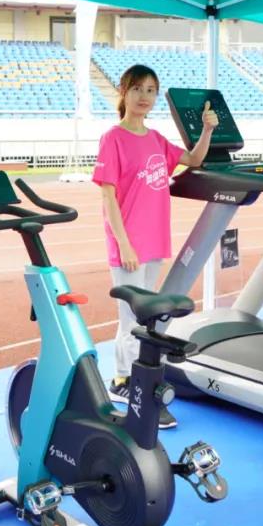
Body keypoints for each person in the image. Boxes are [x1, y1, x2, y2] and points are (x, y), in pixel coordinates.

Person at [92, 64, 218, 429]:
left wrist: (207, 130)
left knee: (145, 317)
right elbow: (108, 197)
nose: (144, 97)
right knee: (131, 318)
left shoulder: (157, 139)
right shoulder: (113, 138)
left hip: (154, 240)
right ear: (124, 92)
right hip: (129, 243)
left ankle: (133, 376)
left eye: (150, 90)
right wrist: (124, 243)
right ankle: (125, 381)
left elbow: (193, 159)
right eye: (137, 89)